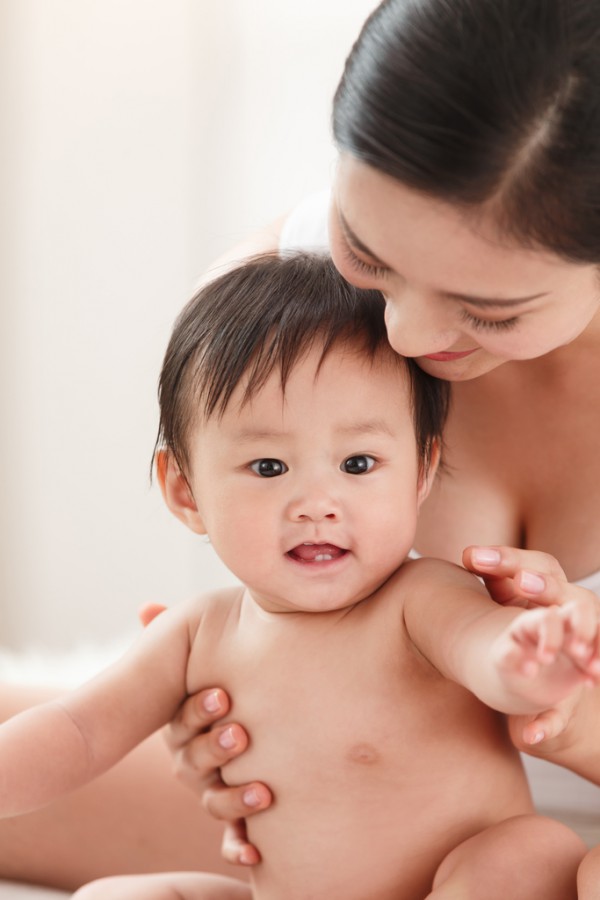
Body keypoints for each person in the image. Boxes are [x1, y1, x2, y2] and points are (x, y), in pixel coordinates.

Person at [1, 0, 600, 895]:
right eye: (367, 249)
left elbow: (486, 658)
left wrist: (568, 706)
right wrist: (218, 716)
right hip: (331, 806)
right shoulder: (274, 306)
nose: (402, 329)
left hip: (526, 838)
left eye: (489, 311)